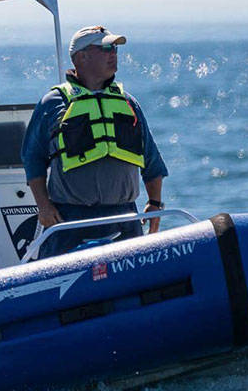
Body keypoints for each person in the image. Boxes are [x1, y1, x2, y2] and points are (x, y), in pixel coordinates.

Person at [20, 25, 168, 259]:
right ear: (82, 57)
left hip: (124, 218)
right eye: (106, 48)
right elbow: (32, 160)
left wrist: (155, 204)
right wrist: (44, 207)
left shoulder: (129, 103)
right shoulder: (53, 103)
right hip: (71, 220)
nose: (113, 54)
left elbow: (152, 161)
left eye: (115, 48)